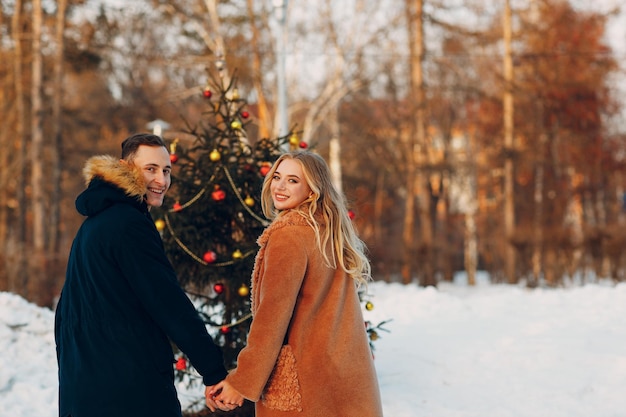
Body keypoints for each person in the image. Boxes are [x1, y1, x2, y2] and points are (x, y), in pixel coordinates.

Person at [54, 133, 237, 416]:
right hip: (129, 389)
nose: (162, 181)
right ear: (127, 168)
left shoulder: (94, 225)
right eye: (150, 169)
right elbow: (168, 303)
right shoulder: (128, 225)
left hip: (86, 388)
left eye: (166, 171)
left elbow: (67, 314)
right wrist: (213, 370)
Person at [207, 150, 384, 416]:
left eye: (293, 180)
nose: (280, 186)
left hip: (304, 383)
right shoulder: (329, 233)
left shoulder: (288, 236)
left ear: (312, 190)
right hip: (341, 376)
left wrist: (242, 382)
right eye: (277, 176)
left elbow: (271, 319)